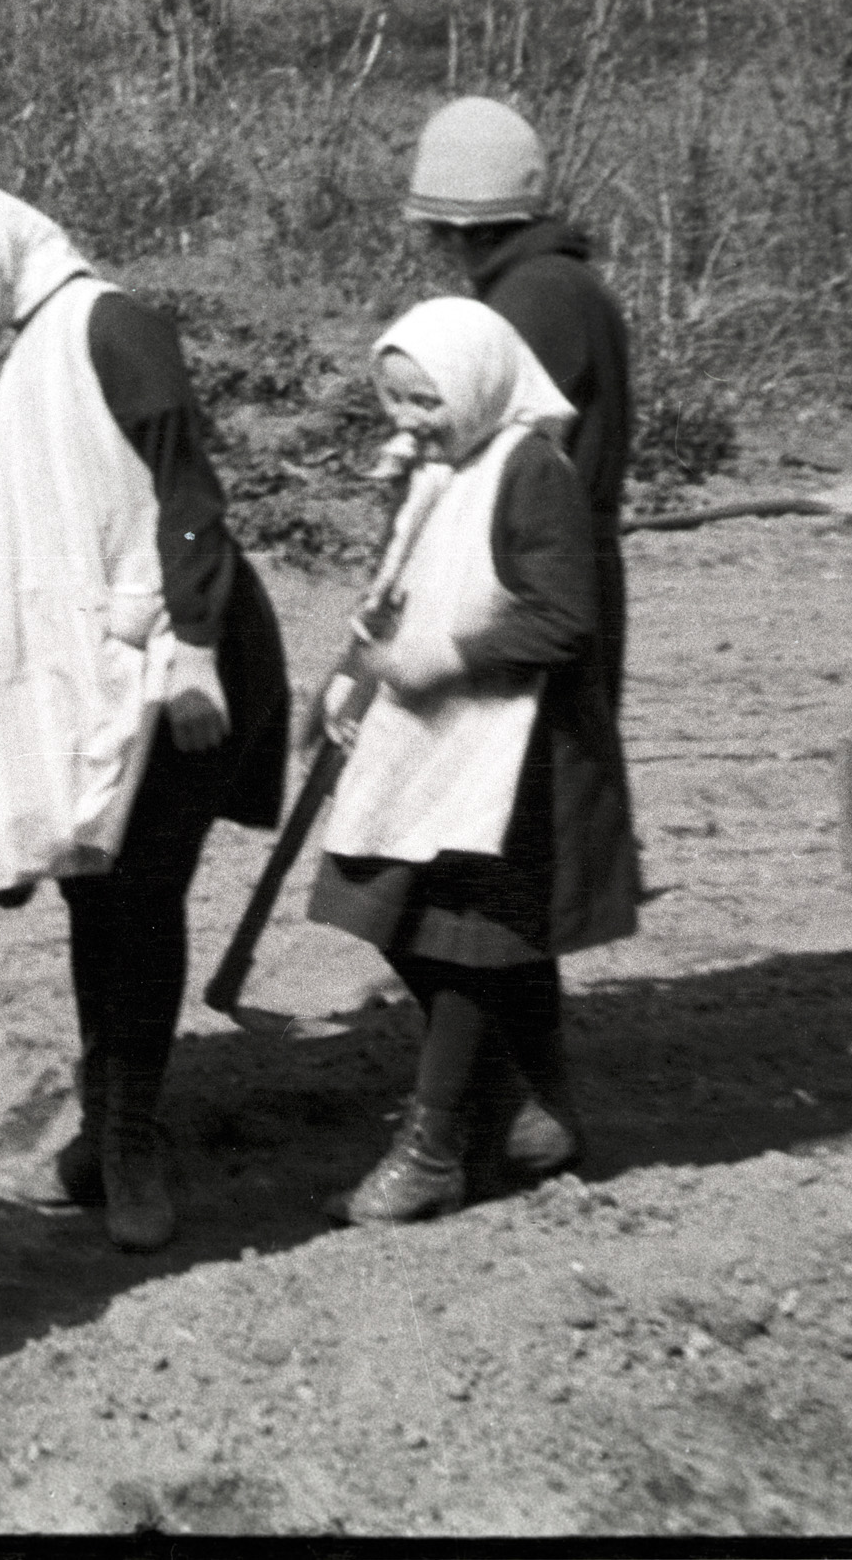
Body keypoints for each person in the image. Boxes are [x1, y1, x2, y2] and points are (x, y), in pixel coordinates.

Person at [0, 176, 290, 1254]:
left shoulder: (111, 325)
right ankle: (107, 1130)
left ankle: (132, 1143)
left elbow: (191, 498)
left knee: (139, 901)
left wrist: (190, 652)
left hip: (174, 662)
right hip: (76, 661)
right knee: (93, 900)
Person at [305, 296, 639, 1226]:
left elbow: (565, 616)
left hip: (512, 755)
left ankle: (436, 1148)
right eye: (395, 400)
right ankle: (535, 1107)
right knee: (402, 915)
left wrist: (444, 657)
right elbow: (394, 594)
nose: (408, 421)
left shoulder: (532, 472)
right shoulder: (436, 470)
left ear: (482, 385)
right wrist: (347, 678)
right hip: (433, 738)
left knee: (462, 940)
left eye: (426, 401)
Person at [406, 97, 634, 707]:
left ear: (458, 232)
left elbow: (485, 450)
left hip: (532, 578)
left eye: (434, 235)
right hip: (559, 566)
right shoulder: (560, 283)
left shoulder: (535, 298)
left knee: (538, 777)